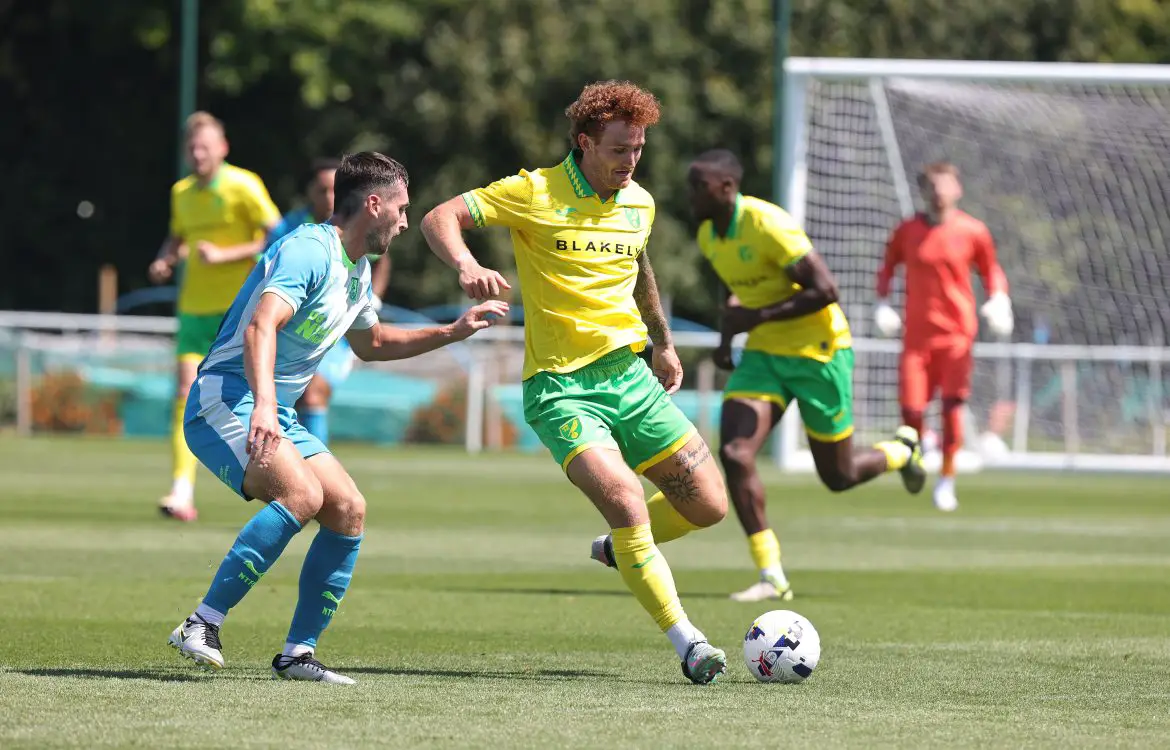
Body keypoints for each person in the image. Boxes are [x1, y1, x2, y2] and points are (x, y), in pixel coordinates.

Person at [421, 81, 730, 684]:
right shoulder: (533, 190)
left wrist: (662, 343)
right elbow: (441, 217)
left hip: (631, 377)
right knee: (625, 499)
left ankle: (621, 550)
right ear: (585, 142)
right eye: (619, 148)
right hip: (561, 389)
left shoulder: (639, 203)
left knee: (710, 506)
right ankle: (688, 642)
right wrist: (467, 264)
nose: (630, 160)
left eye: (638, 148)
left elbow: (639, 269)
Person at [167, 152, 507, 683]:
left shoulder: (357, 269)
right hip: (224, 398)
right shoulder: (308, 250)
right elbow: (262, 327)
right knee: (302, 496)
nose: (403, 221)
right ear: (373, 204)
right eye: (400, 209)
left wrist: (452, 332)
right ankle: (201, 622)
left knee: (348, 508)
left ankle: (298, 653)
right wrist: (262, 406)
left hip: (269, 407)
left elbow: (371, 343)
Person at [686, 149, 926, 603]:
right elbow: (734, 288)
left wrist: (754, 317)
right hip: (765, 356)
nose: (690, 195)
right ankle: (771, 573)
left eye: (698, 186)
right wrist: (725, 340)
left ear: (726, 188)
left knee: (839, 476)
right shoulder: (706, 235)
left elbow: (826, 290)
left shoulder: (767, 224)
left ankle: (901, 449)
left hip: (819, 352)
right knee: (736, 454)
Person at [148, 112, 282, 522]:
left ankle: (275, 480)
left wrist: (227, 255)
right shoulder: (181, 192)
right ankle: (181, 491)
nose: (197, 154)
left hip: (238, 314)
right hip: (193, 309)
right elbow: (178, 237)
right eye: (192, 147)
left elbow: (278, 234)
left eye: (205, 146)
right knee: (184, 392)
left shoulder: (244, 185)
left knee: (251, 397)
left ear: (222, 148)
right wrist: (165, 258)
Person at [875, 162, 1013, 512]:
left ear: (958, 189)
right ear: (925, 190)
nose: (939, 192)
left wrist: (998, 297)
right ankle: (919, 458)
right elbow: (888, 266)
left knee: (952, 412)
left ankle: (947, 481)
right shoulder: (907, 231)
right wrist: (882, 303)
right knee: (911, 412)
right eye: (933, 186)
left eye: (946, 185)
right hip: (916, 339)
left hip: (956, 338)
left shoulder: (973, 231)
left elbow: (991, 269)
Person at [265, 158, 393, 445]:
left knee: (313, 393)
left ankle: (312, 467)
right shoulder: (292, 227)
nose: (328, 197)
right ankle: (295, 473)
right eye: (322, 189)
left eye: (333, 189)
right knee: (290, 401)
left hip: (337, 334)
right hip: (292, 332)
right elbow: (266, 264)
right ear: (310, 191)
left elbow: (382, 262)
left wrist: (374, 302)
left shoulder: (358, 231)